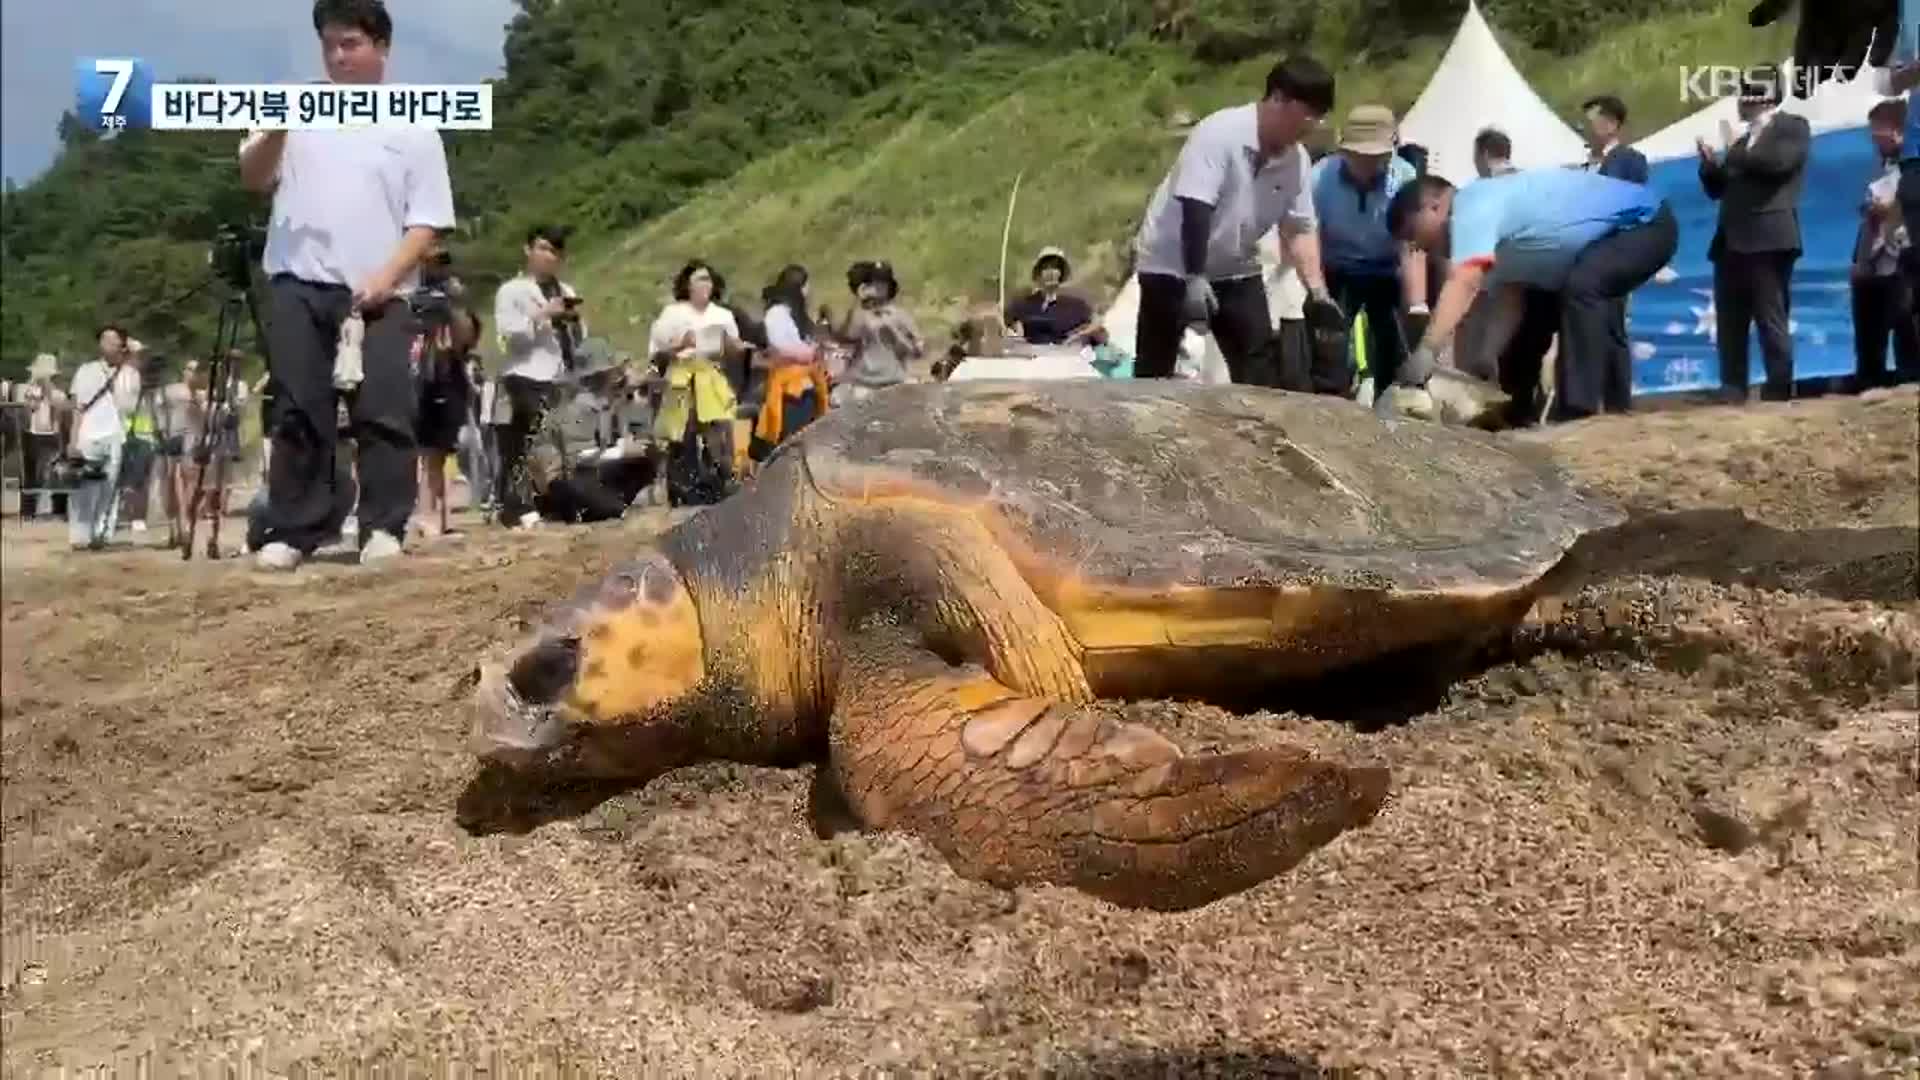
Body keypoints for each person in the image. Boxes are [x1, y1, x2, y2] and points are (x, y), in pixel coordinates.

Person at [238, 0, 456, 571]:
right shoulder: (290, 103)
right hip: (297, 282)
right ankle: (293, 526)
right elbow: (254, 178)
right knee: (298, 406)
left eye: (352, 44)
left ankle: (383, 525)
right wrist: (279, 125)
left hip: (381, 289)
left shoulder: (413, 122)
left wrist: (386, 277)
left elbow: (428, 219)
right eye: (330, 44)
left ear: (381, 46)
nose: (339, 56)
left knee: (383, 407)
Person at [1384, 167, 1678, 425]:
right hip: (1589, 251)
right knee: (1531, 321)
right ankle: (1515, 413)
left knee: (1584, 287)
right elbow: (1511, 297)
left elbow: (1464, 281)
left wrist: (1427, 349)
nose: (1418, 246)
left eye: (1413, 233)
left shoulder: (1471, 205)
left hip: (1644, 223)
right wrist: (1488, 358)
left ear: (1433, 206)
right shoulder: (1490, 238)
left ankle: (1580, 412)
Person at [1129, 55, 1342, 388]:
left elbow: (1299, 227)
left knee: (1259, 364)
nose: (1312, 124)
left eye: (1320, 115)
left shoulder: (1296, 160)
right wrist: (1195, 276)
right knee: (1156, 368)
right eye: (1308, 112)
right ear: (1278, 99)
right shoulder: (1219, 133)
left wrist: (1317, 290)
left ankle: (1262, 434)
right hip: (1172, 261)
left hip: (1236, 265)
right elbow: (1196, 204)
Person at [1696, 67, 1811, 403]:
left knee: (1770, 317)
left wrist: (1735, 151)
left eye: (1745, 95)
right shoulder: (1742, 143)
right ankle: (1732, 388)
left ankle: (1778, 389)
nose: (1739, 103)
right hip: (1731, 240)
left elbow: (1778, 164)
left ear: (1763, 98)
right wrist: (1709, 167)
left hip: (1770, 237)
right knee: (1730, 320)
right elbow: (1719, 189)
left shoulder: (1792, 127)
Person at [1310, 103, 1425, 395]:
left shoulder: (1405, 178)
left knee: (1392, 346)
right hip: (1336, 267)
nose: (1368, 163)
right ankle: (1330, 404)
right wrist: (1317, 291)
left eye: (1377, 156)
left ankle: (1388, 407)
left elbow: (1411, 243)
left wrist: (1417, 303)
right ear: (1344, 151)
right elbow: (1308, 234)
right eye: (1359, 156)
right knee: (1330, 349)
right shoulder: (1320, 178)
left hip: (1386, 268)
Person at [491, 224, 584, 528]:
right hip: (524, 372)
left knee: (559, 441)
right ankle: (518, 507)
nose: (548, 256)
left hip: (560, 374)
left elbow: (580, 338)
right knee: (528, 440)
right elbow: (507, 335)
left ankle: (550, 501)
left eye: (554, 251)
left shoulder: (566, 291)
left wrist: (574, 322)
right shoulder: (511, 291)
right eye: (542, 248)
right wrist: (544, 315)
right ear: (528, 250)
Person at [649, 259, 744, 505]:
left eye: (708, 279)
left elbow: (735, 350)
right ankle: (684, 488)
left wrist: (731, 345)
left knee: (718, 430)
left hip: (711, 373)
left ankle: (720, 482)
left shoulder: (722, 315)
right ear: (687, 285)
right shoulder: (673, 313)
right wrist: (680, 345)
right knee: (684, 432)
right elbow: (656, 353)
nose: (705, 284)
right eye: (699, 279)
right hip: (682, 374)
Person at [1850, 97, 1920, 389]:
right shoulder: (1882, 172)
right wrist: (1861, 259)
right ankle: (1870, 381)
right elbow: (1870, 220)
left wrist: (1890, 214)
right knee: (1869, 336)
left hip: (1905, 260)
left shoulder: (1912, 173)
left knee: (1907, 325)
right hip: (1875, 264)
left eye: (1879, 131)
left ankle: (1910, 377)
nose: (1875, 138)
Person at [752, 263, 830, 460]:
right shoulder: (777, 314)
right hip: (789, 386)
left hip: (807, 382)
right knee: (791, 439)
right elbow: (780, 348)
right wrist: (807, 353)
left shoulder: (796, 316)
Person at [64, 326, 132, 550]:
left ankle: (102, 534)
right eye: (103, 339)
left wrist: (132, 354)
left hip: (114, 435)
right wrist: (73, 440)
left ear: (122, 345)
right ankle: (80, 535)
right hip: (88, 435)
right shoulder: (86, 370)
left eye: (113, 340)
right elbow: (77, 408)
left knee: (109, 488)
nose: (107, 344)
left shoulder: (129, 372)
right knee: (84, 487)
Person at [832, 259, 924, 404]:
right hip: (863, 383)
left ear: (889, 287)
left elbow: (917, 351)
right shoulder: (859, 313)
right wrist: (858, 301)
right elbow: (847, 337)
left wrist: (895, 333)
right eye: (874, 283)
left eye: (882, 283)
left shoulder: (900, 315)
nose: (878, 287)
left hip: (892, 382)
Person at [14, 354, 69, 520]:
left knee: (55, 473)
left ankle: (58, 509)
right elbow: (26, 409)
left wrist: (48, 390)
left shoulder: (58, 393)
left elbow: (60, 408)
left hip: (52, 435)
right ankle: (28, 510)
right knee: (30, 474)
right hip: (31, 435)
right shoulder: (26, 390)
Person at [1004, 247, 1095, 346]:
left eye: (1055, 268)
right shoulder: (1022, 305)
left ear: (1061, 273)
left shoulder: (1077, 306)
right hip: (1031, 357)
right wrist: (1014, 337)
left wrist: (1078, 336)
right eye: (1045, 268)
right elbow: (1001, 325)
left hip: (1066, 356)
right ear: (1038, 274)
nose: (1051, 272)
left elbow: (1096, 327)